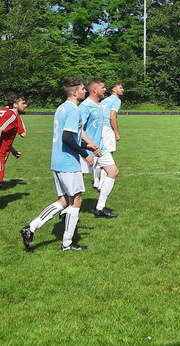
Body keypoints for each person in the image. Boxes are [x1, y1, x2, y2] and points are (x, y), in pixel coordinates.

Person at [20, 77, 100, 252]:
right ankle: (67, 243)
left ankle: (31, 228)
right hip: (68, 162)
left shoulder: (61, 108)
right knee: (76, 199)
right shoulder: (74, 110)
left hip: (56, 160)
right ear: (74, 92)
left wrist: (87, 144)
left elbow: (69, 136)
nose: (84, 91)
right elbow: (67, 138)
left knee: (64, 200)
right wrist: (84, 154)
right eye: (82, 89)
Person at [80, 78, 119, 218]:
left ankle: (100, 208)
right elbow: (80, 129)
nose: (105, 90)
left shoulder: (99, 105)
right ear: (94, 90)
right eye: (102, 87)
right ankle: (65, 209)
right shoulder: (85, 107)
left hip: (100, 147)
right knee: (77, 181)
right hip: (87, 149)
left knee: (113, 172)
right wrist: (89, 145)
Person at [96, 82, 124, 191]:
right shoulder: (116, 100)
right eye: (120, 88)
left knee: (101, 155)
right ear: (114, 90)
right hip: (107, 129)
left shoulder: (104, 100)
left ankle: (98, 182)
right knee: (108, 157)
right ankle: (102, 184)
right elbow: (112, 116)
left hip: (99, 128)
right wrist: (117, 133)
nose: (122, 89)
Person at [0, 94, 28, 188]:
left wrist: (13, 151)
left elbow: (4, 138)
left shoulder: (4, 112)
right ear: (15, 104)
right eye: (23, 103)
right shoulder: (12, 115)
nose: (26, 105)